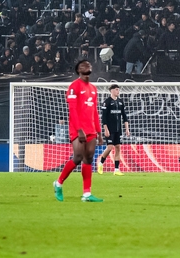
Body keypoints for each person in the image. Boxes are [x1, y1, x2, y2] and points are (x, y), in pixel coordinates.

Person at [53, 60, 103, 203]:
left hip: (91, 129)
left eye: (88, 65)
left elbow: (94, 111)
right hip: (77, 128)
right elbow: (72, 110)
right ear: (78, 70)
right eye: (83, 66)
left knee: (89, 158)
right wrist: (79, 130)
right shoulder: (74, 86)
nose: (87, 67)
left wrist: (99, 132)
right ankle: (58, 183)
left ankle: (87, 194)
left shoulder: (93, 88)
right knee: (78, 156)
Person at [98, 84, 130, 176]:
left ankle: (116, 169)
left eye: (118, 90)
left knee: (118, 147)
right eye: (116, 89)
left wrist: (127, 129)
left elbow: (124, 116)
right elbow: (104, 118)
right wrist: (106, 129)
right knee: (110, 147)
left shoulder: (120, 102)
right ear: (111, 91)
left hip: (118, 129)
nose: (118, 91)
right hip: (110, 129)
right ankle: (101, 163)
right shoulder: (107, 102)